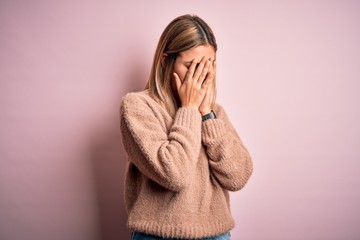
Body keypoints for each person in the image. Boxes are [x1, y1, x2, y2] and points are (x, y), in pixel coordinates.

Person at [119, 14, 253, 240]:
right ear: (165, 61)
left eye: (208, 65)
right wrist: (189, 109)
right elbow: (174, 174)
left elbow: (238, 177)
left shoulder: (214, 112)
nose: (202, 75)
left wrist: (207, 114)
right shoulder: (137, 107)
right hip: (157, 236)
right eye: (192, 66)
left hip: (216, 235)